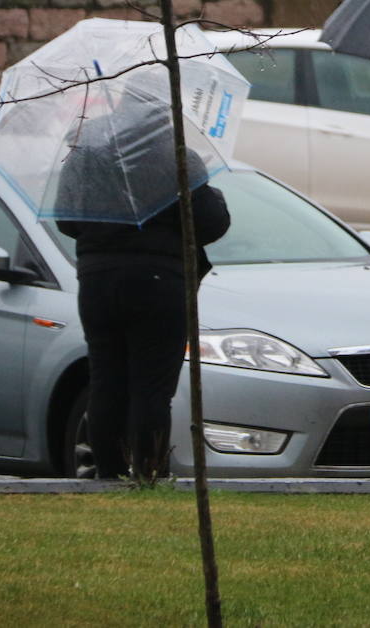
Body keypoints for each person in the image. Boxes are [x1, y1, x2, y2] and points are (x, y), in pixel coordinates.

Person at [55, 108, 231, 481]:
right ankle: (149, 474)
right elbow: (212, 223)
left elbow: (66, 219)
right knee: (151, 389)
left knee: (106, 380)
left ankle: (108, 474)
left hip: (98, 282)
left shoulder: (86, 153)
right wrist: (209, 191)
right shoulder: (176, 156)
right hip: (159, 284)